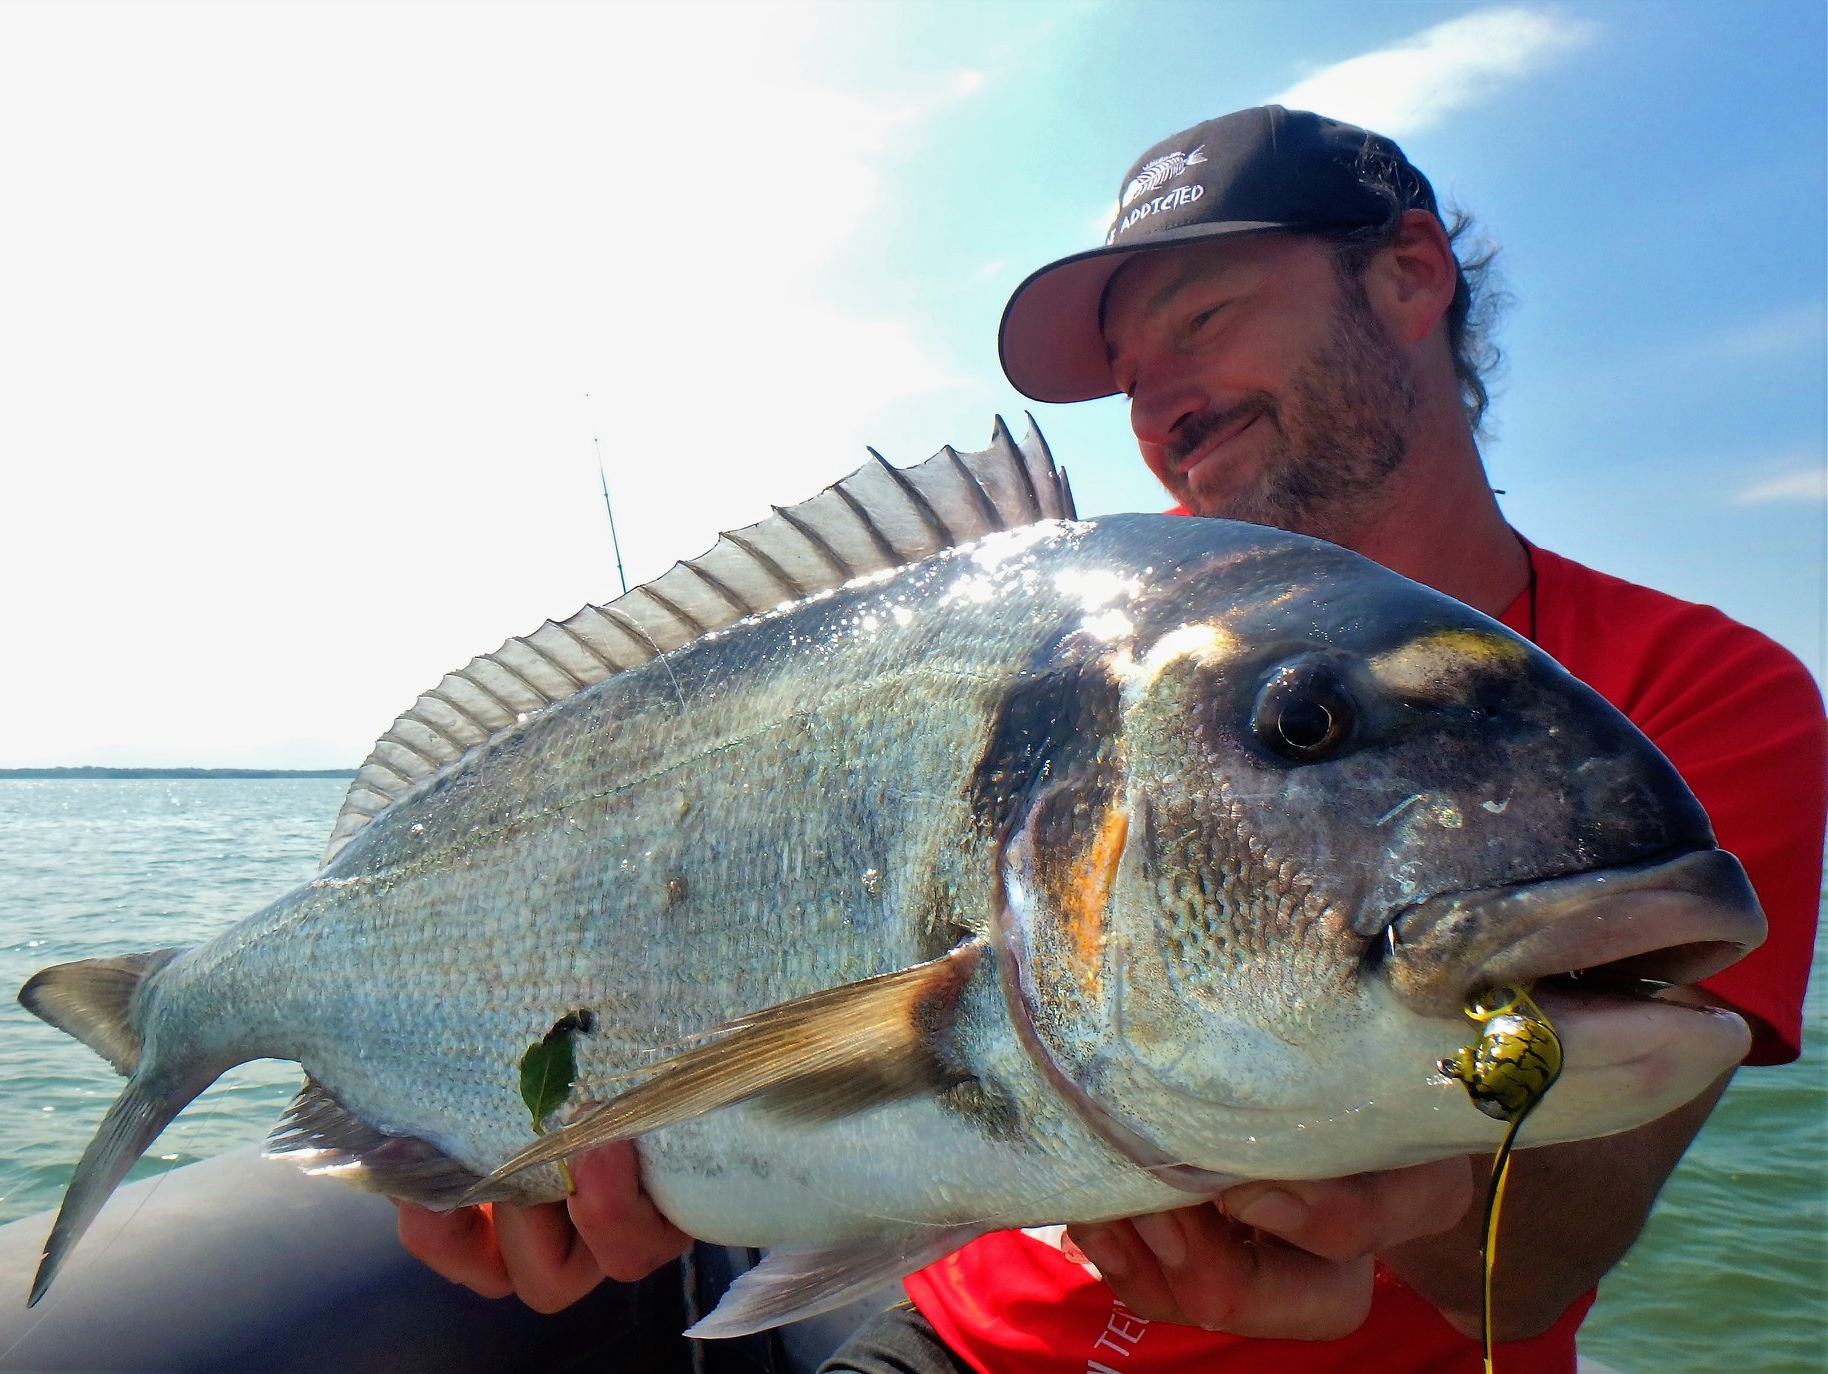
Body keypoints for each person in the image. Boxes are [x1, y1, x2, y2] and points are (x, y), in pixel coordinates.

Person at [395, 106, 1828, 1373]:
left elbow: (1542, 1267)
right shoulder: (1058, 655)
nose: (1161, 408)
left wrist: (1435, 1187)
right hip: (960, 1332)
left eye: (1199, 320)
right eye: (1131, 380)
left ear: (1406, 274)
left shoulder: (1703, 688)